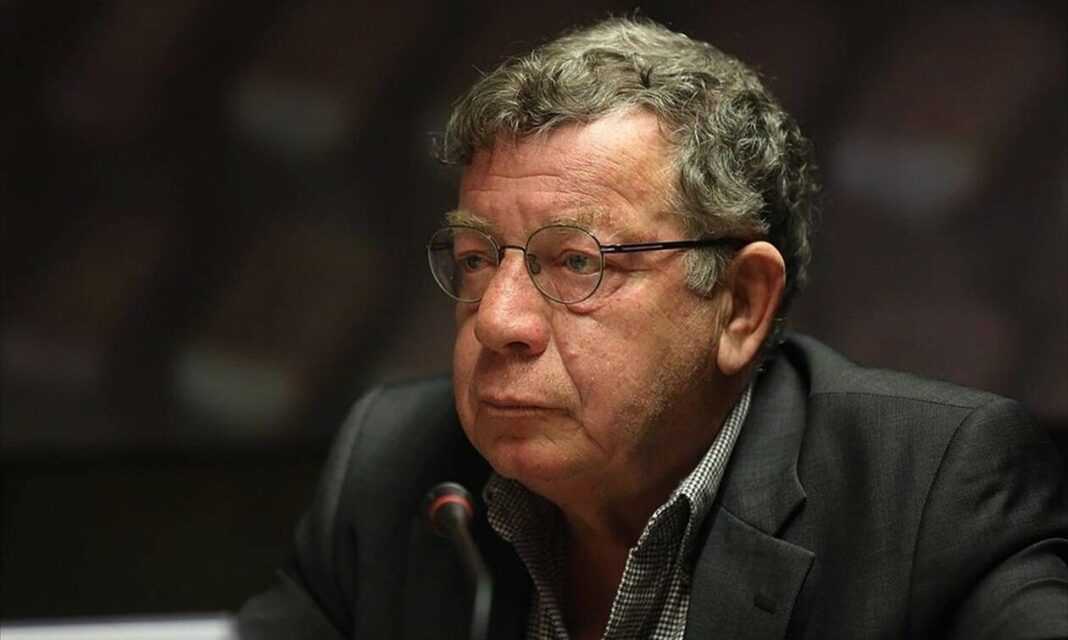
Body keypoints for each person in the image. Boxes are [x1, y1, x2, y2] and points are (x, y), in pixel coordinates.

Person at [237, 17, 1068, 639]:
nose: (497, 320)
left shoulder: (932, 492)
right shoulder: (396, 464)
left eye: (577, 262)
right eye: (477, 258)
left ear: (741, 304)